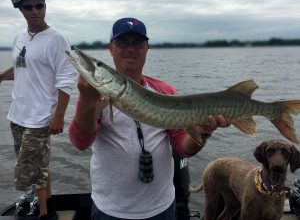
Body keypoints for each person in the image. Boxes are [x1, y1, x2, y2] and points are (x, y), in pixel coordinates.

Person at [68, 17, 230, 220]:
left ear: (147, 48)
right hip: (110, 209)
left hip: (161, 208)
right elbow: (80, 142)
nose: (130, 48)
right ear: (111, 47)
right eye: (122, 42)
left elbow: (183, 147)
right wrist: (86, 99)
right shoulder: (93, 95)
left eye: (137, 43)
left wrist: (204, 132)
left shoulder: (165, 91)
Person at [0, 0, 77, 219]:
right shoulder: (20, 38)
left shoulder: (57, 39)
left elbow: (67, 78)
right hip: (18, 113)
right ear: (20, 10)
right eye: (28, 7)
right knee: (40, 167)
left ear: (45, 6)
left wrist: (59, 116)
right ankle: (50, 206)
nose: (35, 11)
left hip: (41, 116)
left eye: (39, 5)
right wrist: (2, 77)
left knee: (30, 172)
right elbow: (22, 67)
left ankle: (44, 215)